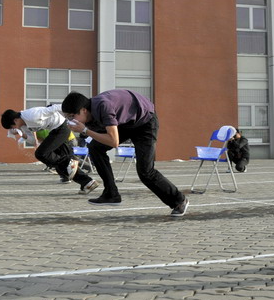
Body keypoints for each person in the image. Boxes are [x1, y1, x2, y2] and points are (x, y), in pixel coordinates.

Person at [61, 90, 189, 217]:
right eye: (67, 117)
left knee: (145, 172)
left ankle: (179, 201)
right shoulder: (88, 116)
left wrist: (84, 130)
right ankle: (111, 194)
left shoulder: (104, 107)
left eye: (72, 116)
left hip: (145, 121)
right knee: (95, 147)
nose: (70, 120)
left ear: (83, 110)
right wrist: (85, 130)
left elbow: (114, 141)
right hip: (126, 124)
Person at [0, 104, 99, 194]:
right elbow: (33, 141)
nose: (14, 129)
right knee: (64, 166)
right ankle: (88, 183)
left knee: (41, 153)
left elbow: (54, 108)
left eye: (12, 127)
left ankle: (69, 162)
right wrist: (22, 135)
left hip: (62, 128)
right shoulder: (24, 126)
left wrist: (72, 112)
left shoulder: (32, 115)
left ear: (15, 120)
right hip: (54, 131)